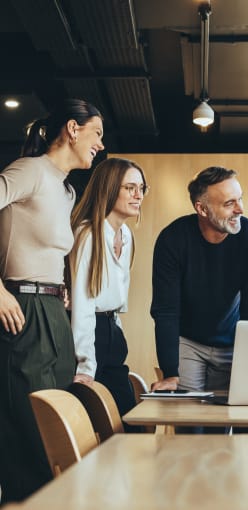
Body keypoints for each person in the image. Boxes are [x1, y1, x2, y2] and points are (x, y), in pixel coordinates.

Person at [0, 99, 104, 502]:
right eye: (96, 132)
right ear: (72, 129)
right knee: (28, 429)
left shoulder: (65, 190)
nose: (100, 143)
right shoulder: (30, 171)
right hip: (20, 307)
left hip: (51, 312)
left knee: (58, 424)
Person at [150, 166, 248, 393]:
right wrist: (170, 373)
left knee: (232, 417)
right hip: (189, 341)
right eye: (229, 203)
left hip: (235, 341)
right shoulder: (173, 239)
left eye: (240, 199)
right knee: (190, 422)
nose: (241, 209)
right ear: (202, 209)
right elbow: (166, 310)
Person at [69, 157, 148, 420]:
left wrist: (118, 333)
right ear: (110, 188)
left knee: (127, 419)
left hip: (112, 330)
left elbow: (117, 298)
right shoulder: (88, 234)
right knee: (94, 421)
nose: (139, 195)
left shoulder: (125, 235)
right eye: (130, 188)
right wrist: (86, 365)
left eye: (141, 188)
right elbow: (83, 304)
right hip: (89, 335)